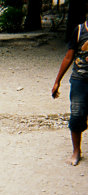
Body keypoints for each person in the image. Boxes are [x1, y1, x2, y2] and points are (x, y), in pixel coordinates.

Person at [52, 19, 88, 166]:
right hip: (80, 80)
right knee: (77, 115)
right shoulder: (80, 30)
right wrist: (57, 81)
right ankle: (76, 151)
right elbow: (68, 56)